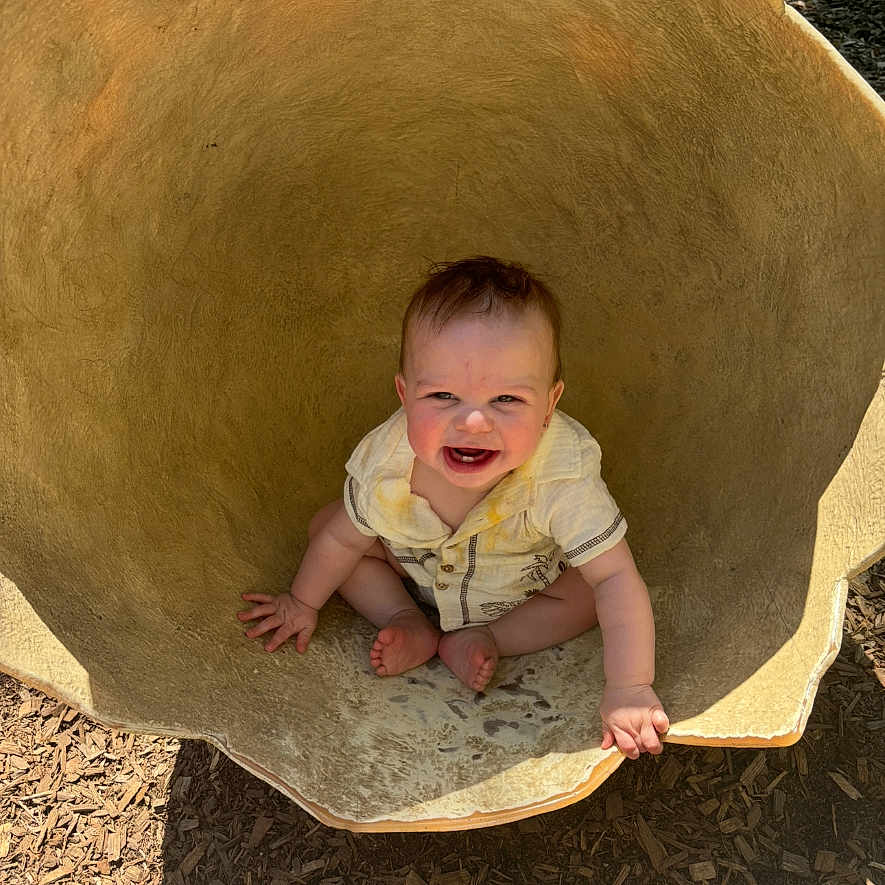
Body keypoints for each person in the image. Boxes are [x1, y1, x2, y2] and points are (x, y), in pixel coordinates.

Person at [238, 256, 669, 758]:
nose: (473, 423)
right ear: (405, 396)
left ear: (550, 406)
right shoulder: (388, 462)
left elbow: (615, 577)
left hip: (525, 591)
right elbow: (339, 539)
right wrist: (302, 602)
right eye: (443, 395)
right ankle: (406, 618)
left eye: (507, 400)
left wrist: (629, 687)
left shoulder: (561, 474)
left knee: (592, 591)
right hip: (413, 571)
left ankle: (489, 637)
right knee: (331, 530)